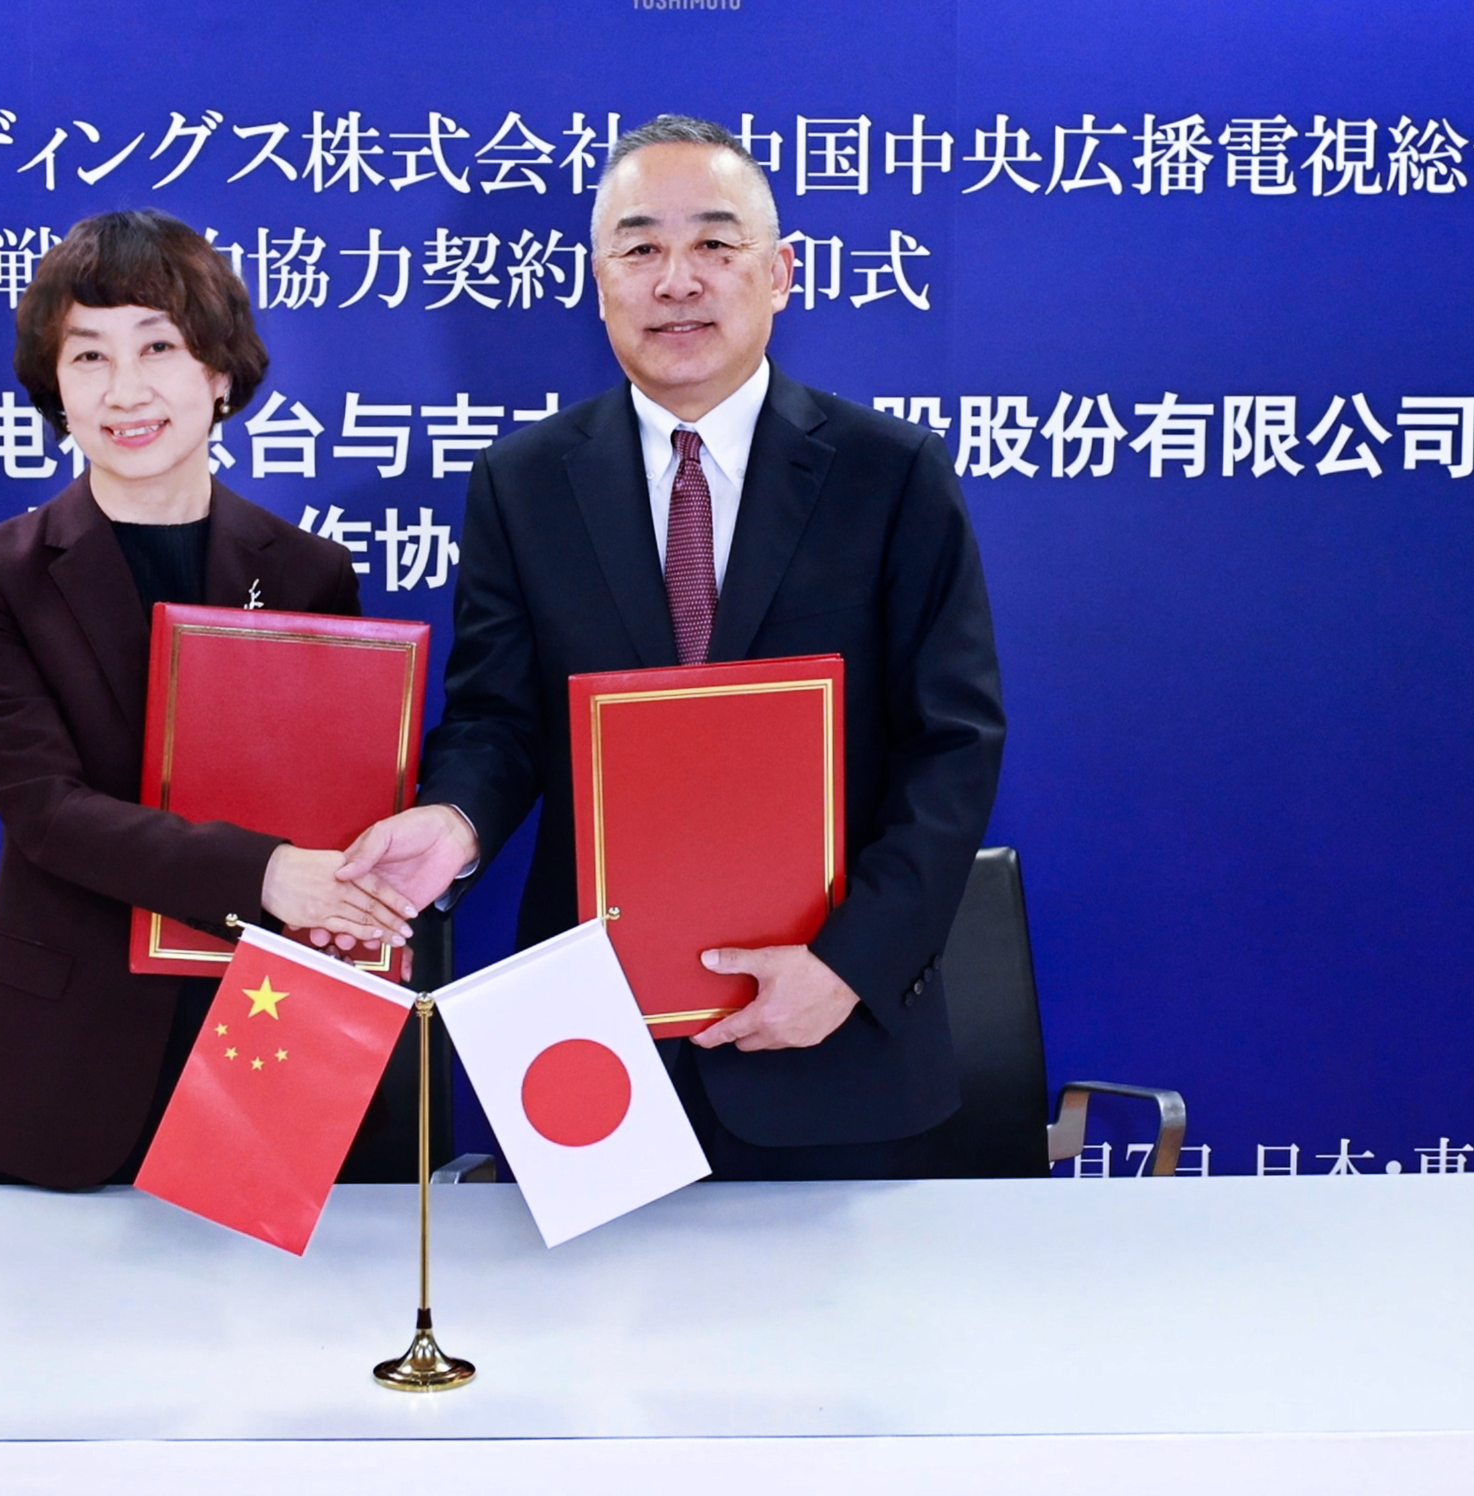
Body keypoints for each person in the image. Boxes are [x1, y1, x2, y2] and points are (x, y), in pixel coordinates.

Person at [337, 117, 1005, 1180]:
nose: (675, 279)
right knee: (573, 1347)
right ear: (597, 282)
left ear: (780, 274)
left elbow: (952, 745)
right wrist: (452, 819)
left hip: (831, 1040)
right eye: (639, 249)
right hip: (586, 1044)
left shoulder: (889, 473)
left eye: (714, 244)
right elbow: (497, 720)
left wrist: (847, 964)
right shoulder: (524, 481)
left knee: (842, 1349)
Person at [0, 209, 413, 1190]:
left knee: (274, 1340)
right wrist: (268, 872)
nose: (125, 390)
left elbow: (333, 795)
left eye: (158, 346)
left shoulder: (310, 571)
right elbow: (44, 811)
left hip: (267, 1028)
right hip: (64, 1049)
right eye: (88, 357)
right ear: (54, 388)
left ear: (220, 374)